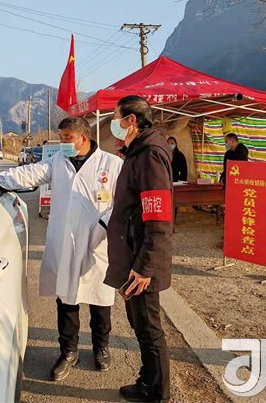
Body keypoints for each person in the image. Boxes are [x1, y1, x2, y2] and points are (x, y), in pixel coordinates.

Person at [0, 117, 123, 381]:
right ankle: (68, 352)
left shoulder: (112, 164)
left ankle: (101, 347)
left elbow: (123, 202)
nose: (62, 142)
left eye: (67, 138)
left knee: (99, 299)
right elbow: (26, 174)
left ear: (83, 138)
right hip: (64, 243)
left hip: (96, 243)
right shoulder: (58, 161)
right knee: (66, 299)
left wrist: (103, 226)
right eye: (61, 136)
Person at [105, 95, 173, 403]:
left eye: (116, 117)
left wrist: (145, 266)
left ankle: (156, 392)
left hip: (141, 261)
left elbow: (158, 217)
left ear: (131, 120)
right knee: (139, 323)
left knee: (148, 327)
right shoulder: (138, 152)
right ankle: (148, 380)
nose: (113, 123)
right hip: (134, 254)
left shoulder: (149, 155)